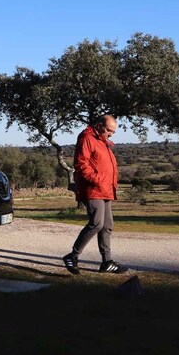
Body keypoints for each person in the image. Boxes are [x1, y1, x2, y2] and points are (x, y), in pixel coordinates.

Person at [62, 114, 128, 274]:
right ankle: (73, 256)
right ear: (99, 125)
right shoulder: (87, 138)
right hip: (93, 189)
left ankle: (107, 262)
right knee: (97, 223)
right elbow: (81, 164)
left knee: (107, 226)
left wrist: (108, 182)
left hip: (105, 189)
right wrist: (98, 179)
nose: (111, 134)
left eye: (113, 131)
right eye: (108, 130)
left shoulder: (102, 141)